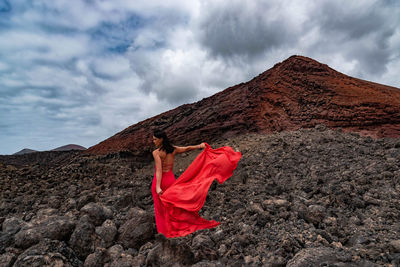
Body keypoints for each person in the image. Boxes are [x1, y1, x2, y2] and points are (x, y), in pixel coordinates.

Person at [151, 129, 241, 238]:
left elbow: (159, 171)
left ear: (161, 139)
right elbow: (187, 148)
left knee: (160, 208)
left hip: (160, 181)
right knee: (174, 205)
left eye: (155, 139)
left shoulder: (156, 153)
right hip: (171, 180)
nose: (153, 141)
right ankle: (174, 227)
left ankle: (164, 232)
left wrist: (157, 187)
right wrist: (200, 146)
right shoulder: (173, 149)